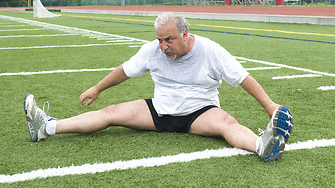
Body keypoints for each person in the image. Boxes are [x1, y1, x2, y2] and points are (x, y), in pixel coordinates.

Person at [24, 12, 293, 162]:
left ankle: (263, 146)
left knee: (227, 123)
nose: (164, 46)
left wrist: (270, 106)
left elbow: (243, 78)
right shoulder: (154, 50)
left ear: (185, 34)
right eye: (160, 40)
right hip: (159, 111)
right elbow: (125, 71)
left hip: (199, 113)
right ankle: (46, 127)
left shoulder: (211, 50)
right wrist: (97, 88)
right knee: (110, 112)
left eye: (169, 40)